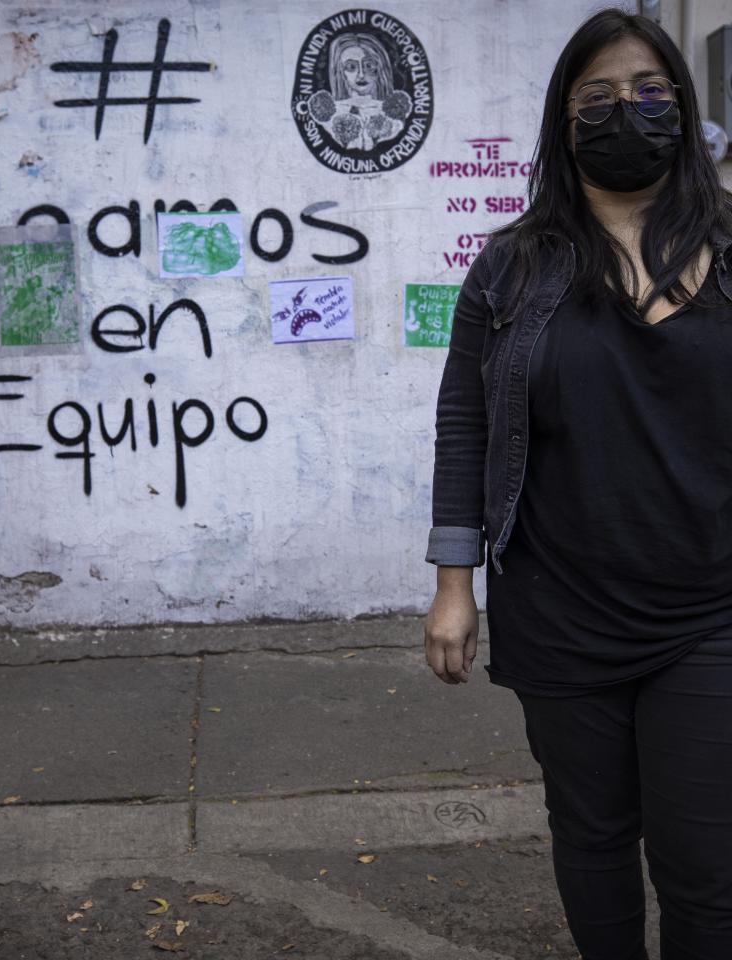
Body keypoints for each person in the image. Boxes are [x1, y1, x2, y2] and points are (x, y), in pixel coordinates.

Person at [425, 10, 732, 958]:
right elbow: (463, 423)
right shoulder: (511, 266)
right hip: (561, 608)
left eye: (648, 93)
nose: (624, 111)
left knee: (706, 870)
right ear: (564, 123)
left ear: (682, 109)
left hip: (708, 611)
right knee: (592, 841)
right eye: (596, 97)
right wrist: (453, 588)